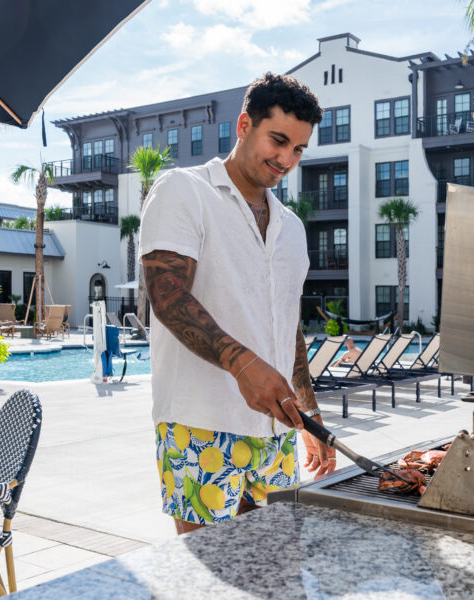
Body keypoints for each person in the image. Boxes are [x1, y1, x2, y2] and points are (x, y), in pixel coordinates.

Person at [139, 72, 337, 535]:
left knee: (276, 573)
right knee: (209, 579)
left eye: (299, 149)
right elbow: (167, 296)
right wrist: (242, 363)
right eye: (279, 140)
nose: (286, 159)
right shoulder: (183, 191)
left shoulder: (292, 228)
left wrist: (310, 416)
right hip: (198, 423)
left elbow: (285, 327)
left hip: (275, 434)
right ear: (244, 125)